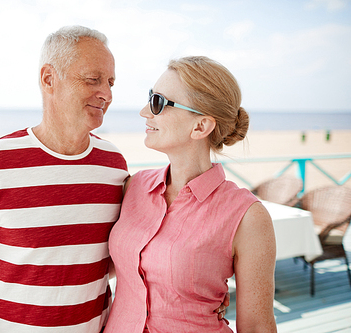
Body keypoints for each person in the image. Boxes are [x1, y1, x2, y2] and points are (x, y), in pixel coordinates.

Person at [0, 26, 228, 332]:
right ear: (48, 79)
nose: (106, 94)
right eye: (92, 80)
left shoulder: (114, 166)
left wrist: (197, 286)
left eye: (110, 82)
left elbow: (134, 252)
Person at [105, 56, 277, 332]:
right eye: (150, 97)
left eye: (158, 102)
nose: (144, 112)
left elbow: (257, 326)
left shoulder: (248, 216)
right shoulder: (133, 187)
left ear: (200, 126)